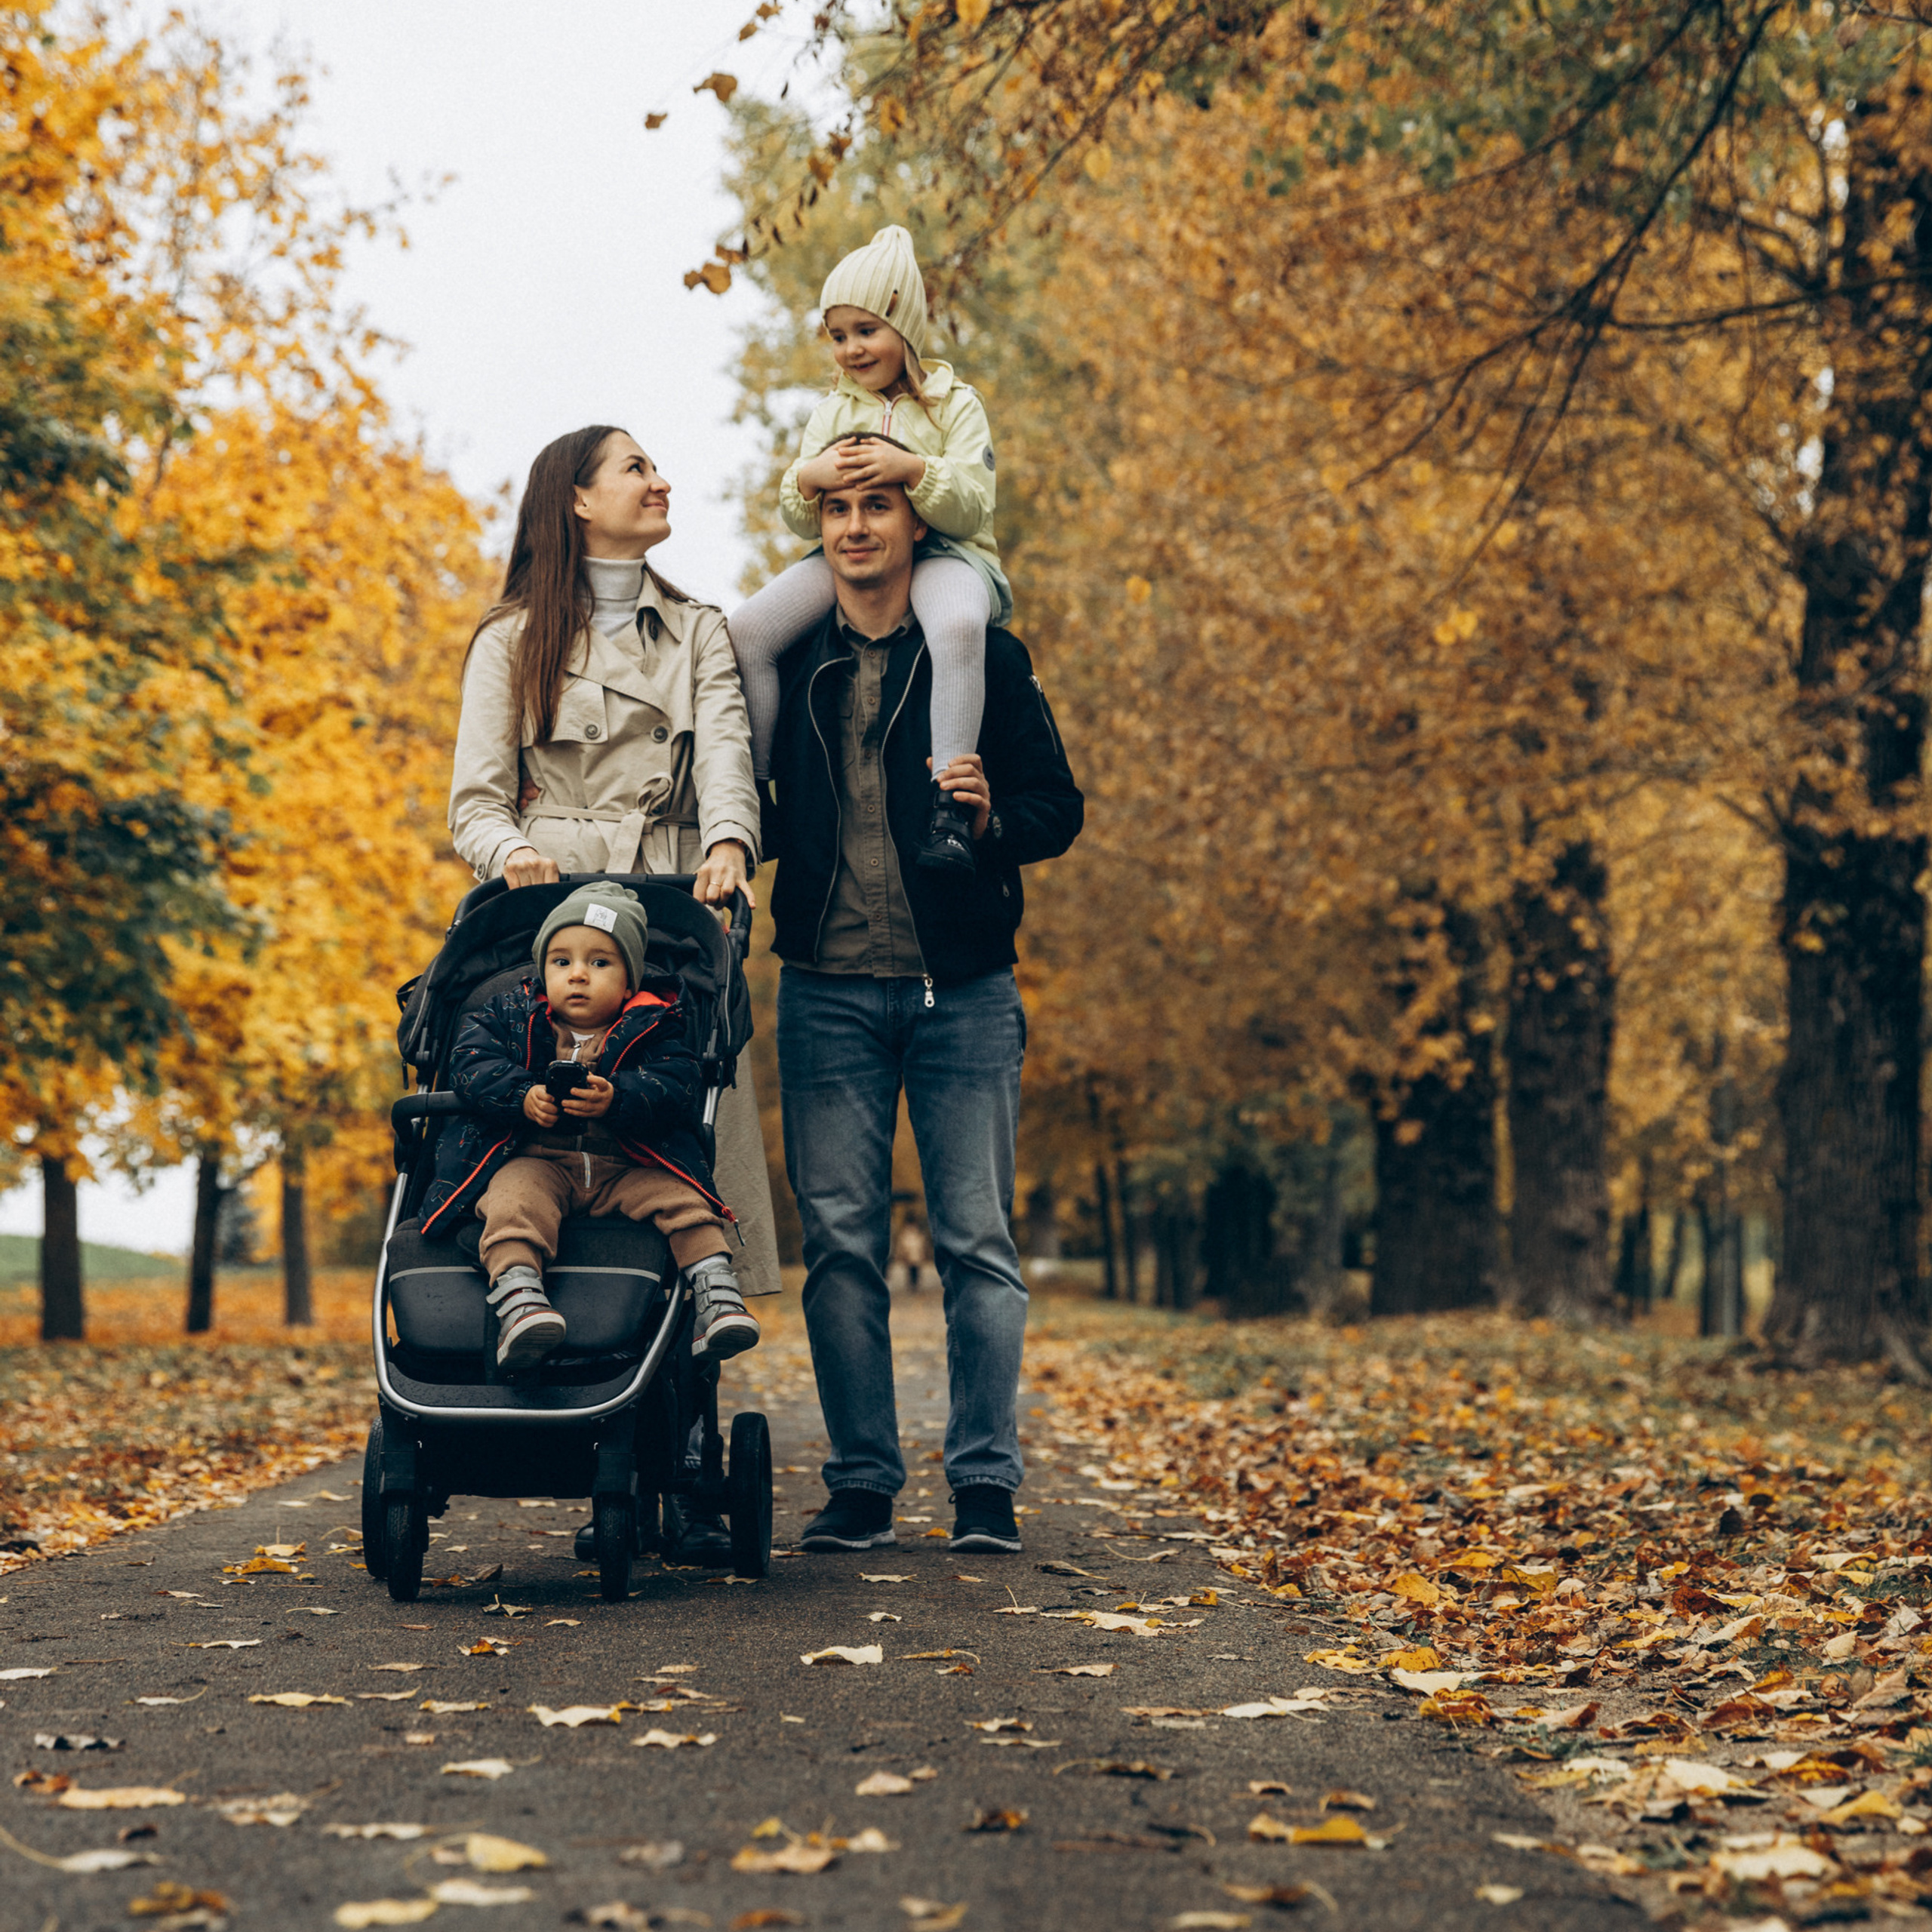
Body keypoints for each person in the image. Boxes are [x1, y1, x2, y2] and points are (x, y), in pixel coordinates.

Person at [761, 466, 1082, 1555]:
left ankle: (985, 1482)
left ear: (913, 525)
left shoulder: (982, 654)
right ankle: (861, 1483)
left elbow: (1059, 807)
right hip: (826, 994)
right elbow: (743, 801)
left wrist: (993, 821)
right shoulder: (791, 659)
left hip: (966, 994)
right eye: (837, 511)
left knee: (977, 1244)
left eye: (877, 508)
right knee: (842, 1250)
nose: (855, 528)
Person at [448, 424, 781, 1306]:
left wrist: (728, 843)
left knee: (678, 1098)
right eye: (637, 468)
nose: (660, 481)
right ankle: (517, 1286)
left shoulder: (697, 630)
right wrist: (512, 849)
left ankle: (697, 1315)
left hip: (669, 903)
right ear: (579, 500)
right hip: (545, 902)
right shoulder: (510, 640)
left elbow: (724, 758)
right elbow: (475, 802)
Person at [729, 224, 1011, 878]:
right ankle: (760, 794)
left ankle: (948, 806)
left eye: (867, 330)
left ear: (903, 327)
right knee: (748, 631)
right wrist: (809, 479)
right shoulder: (830, 413)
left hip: (946, 554)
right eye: (838, 335)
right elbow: (801, 518)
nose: (852, 349)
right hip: (854, 556)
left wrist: (912, 469)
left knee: (961, 627)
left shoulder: (954, 406)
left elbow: (972, 503)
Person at [418, 882, 756, 1371]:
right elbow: (468, 1065)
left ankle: (716, 1298)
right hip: (538, 1161)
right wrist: (522, 1096)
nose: (578, 974)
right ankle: (520, 1303)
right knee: (512, 1201)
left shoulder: (657, 1024)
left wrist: (620, 1097)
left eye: (599, 963)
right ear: (542, 971)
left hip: (627, 1163)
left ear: (628, 982)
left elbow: (678, 1083)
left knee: (687, 1201)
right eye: (562, 962)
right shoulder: (509, 1014)